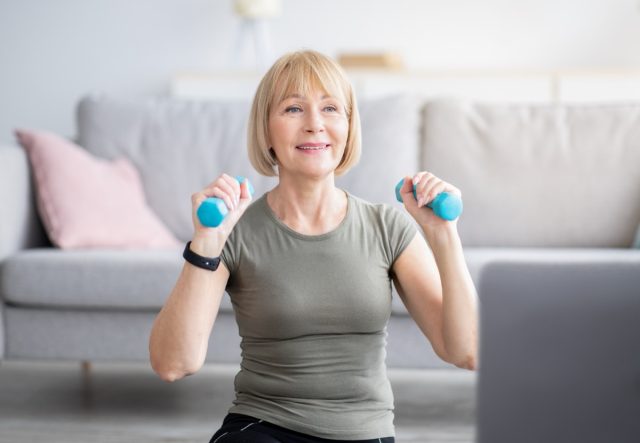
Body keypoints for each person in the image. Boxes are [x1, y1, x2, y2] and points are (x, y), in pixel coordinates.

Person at [149, 50, 478, 443]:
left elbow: (467, 352)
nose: (314, 125)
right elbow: (172, 364)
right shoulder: (235, 231)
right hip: (263, 427)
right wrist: (206, 241)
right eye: (293, 109)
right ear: (266, 130)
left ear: (349, 126)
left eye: (330, 108)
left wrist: (444, 236)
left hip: (363, 433)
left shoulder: (386, 227)